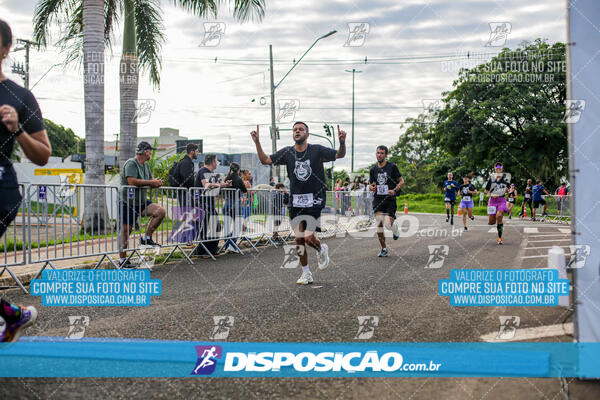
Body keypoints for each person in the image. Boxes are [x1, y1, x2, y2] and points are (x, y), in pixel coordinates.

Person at [0, 19, 52, 342]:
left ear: (6, 49)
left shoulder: (19, 96)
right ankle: (13, 316)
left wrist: (18, 130)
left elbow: (44, 153)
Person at [251, 122, 346, 285]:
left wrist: (342, 142)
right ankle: (306, 273)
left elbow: (339, 155)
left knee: (308, 238)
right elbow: (266, 159)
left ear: (307, 134)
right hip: (295, 201)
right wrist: (257, 142)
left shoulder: (317, 150)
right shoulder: (288, 152)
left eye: (301, 129)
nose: (297, 131)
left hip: (314, 200)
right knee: (298, 240)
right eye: (295, 129)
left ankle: (321, 249)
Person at [119, 141, 166, 267]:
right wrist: (151, 183)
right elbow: (132, 181)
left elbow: (149, 181)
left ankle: (146, 238)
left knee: (160, 211)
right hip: (127, 202)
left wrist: (156, 182)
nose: (151, 153)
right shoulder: (131, 163)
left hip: (141, 202)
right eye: (150, 151)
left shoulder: (146, 166)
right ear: (145, 152)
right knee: (126, 231)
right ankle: (122, 261)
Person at [193, 154, 231, 257]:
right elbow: (206, 185)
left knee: (215, 226)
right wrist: (220, 185)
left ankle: (211, 249)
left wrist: (224, 185)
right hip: (203, 203)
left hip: (209, 203)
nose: (217, 163)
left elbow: (214, 186)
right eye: (216, 161)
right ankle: (202, 251)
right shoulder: (203, 171)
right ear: (213, 162)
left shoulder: (211, 173)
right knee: (205, 227)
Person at [369, 145, 403, 257]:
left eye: (382, 153)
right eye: (378, 152)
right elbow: (371, 183)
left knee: (388, 224)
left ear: (386, 155)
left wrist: (395, 190)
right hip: (378, 199)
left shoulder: (392, 167)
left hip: (390, 199)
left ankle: (395, 228)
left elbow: (401, 181)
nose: (379, 155)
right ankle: (384, 249)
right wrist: (371, 187)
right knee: (379, 224)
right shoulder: (373, 169)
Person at [222, 162, 246, 252]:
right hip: (236, 203)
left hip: (227, 202)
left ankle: (227, 246)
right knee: (238, 225)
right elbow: (245, 190)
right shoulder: (238, 179)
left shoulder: (227, 178)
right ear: (238, 170)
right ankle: (232, 244)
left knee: (227, 226)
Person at [485, 162, 510, 245]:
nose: (498, 169)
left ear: (502, 168)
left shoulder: (505, 178)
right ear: (495, 169)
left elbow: (509, 189)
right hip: (492, 201)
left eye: (500, 167)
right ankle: (495, 218)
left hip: (501, 200)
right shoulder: (491, 178)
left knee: (499, 216)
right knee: (491, 222)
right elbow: (486, 191)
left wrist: (507, 191)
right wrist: (492, 194)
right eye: (497, 167)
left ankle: (499, 238)